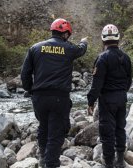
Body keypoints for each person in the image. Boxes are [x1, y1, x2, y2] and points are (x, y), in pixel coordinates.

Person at [21, 18, 88, 168]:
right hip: (59, 97)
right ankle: (51, 164)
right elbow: (81, 49)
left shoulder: (35, 48)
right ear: (65, 34)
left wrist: (30, 89)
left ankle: (44, 158)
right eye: (68, 35)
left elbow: (25, 74)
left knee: (43, 127)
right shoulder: (69, 48)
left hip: (39, 97)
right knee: (56, 133)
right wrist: (84, 41)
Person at [87, 24, 132, 168]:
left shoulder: (102, 58)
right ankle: (120, 160)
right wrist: (122, 92)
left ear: (103, 40)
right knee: (120, 128)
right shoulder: (126, 58)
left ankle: (108, 163)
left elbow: (96, 84)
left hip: (107, 99)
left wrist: (90, 101)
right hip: (122, 97)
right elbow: (129, 80)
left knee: (107, 131)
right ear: (118, 39)